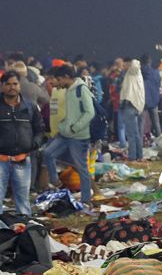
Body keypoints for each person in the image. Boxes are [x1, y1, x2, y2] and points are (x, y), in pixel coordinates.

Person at [42, 65, 93, 204]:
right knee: (48, 153)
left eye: (58, 79)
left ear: (66, 77)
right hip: (65, 133)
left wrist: (74, 127)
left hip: (78, 136)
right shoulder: (68, 90)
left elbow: (90, 112)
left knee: (82, 169)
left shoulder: (81, 89)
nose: (57, 83)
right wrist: (64, 126)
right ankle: (55, 180)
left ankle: (86, 200)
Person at [0, 71, 45, 216]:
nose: (12, 87)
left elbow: (39, 129)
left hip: (22, 160)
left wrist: (34, 144)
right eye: (8, 84)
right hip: (1, 161)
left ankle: (25, 231)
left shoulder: (30, 107)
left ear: (20, 86)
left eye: (15, 84)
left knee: (23, 200)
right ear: (2, 86)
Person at [118, 60, 145, 160]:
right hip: (135, 106)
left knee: (131, 135)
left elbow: (135, 64)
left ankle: (132, 157)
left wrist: (131, 64)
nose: (122, 66)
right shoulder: (134, 75)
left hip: (130, 106)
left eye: (124, 64)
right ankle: (139, 155)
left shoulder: (133, 72)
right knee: (135, 133)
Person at [139, 54, 162, 139]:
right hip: (154, 99)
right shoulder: (156, 72)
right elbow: (158, 84)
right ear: (150, 61)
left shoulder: (139, 73)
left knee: (141, 123)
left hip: (142, 100)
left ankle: (140, 144)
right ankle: (161, 143)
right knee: (156, 123)